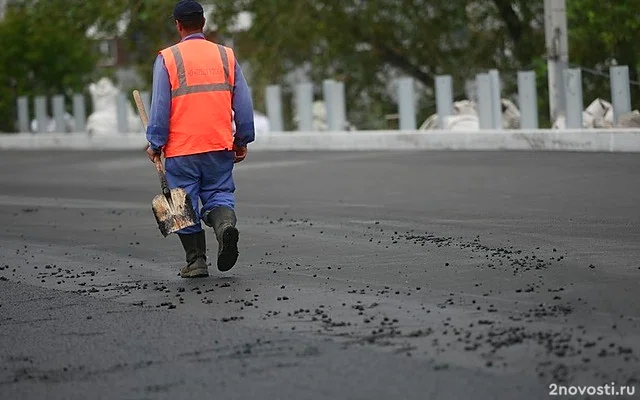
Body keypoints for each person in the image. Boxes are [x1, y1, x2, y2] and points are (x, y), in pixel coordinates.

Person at [145, 0, 255, 278]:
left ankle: (196, 262)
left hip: (182, 149)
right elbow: (243, 103)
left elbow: (160, 106)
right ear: (203, 23)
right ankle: (224, 228)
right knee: (219, 194)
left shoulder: (168, 58)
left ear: (178, 25)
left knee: (183, 203)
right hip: (218, 145)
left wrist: (155, 143)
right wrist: (242, 139)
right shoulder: (225, 56)